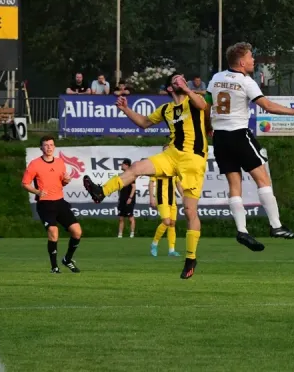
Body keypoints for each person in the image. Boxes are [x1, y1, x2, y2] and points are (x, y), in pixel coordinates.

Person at [82, 72, 208, 279]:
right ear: (169, 88)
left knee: (189, 211)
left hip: (193, 159)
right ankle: (100, 192)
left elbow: (203, 105)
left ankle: (190, 258)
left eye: (182, 79)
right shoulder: (166, 109)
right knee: (136, 168)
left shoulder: (192, 101)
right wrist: (125, 109)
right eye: (177, 79)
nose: (181, 80)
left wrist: (186, 88)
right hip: (171, 154)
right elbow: (144, 122)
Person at [206, 42, 294, 251]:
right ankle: (276, 226)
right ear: (241, 62)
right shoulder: (246, 82)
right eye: (250, 57)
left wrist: (208, 126)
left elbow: (207, 105)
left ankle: (242, 230)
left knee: (234, 185)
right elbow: (268, 106)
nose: (253, 60)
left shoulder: (216, 78)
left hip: (219, 137)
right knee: (263, 180)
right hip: (239, 135)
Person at [22, 136, 83, 273]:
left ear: (54, 147)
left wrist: (66, 181)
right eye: (46, 145)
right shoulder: (34, 164)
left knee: (77, 232)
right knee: (53, 232)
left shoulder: (60, 162)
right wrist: (37, 192)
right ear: (41, 148)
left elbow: (62, 182)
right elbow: (25, 183)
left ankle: (67, 260)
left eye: (51, 145)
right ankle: (54, 267)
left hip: (60, 202)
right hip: (45, 204)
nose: (49, 147)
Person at [149, 147, 183, 257]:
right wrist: (151, 198)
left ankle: (171, 250)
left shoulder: (175, 167)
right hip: (161, 198)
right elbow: (151, 183)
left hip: (172, 200)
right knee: (166, 222)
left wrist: (184, 196)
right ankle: (154, 244)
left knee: (172, 224)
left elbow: (178, 184)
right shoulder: (157, 166)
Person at [117, 159, 136, 238]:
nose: (121, 165)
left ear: (127, 165)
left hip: (129, 199)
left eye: (123, 164)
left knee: (130, 217)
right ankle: (120, 235)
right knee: (121, 218)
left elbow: (134, 187)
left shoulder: (131, 175)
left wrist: (130, 198)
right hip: (122, 199)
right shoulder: (121, 175)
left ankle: (132, 234)